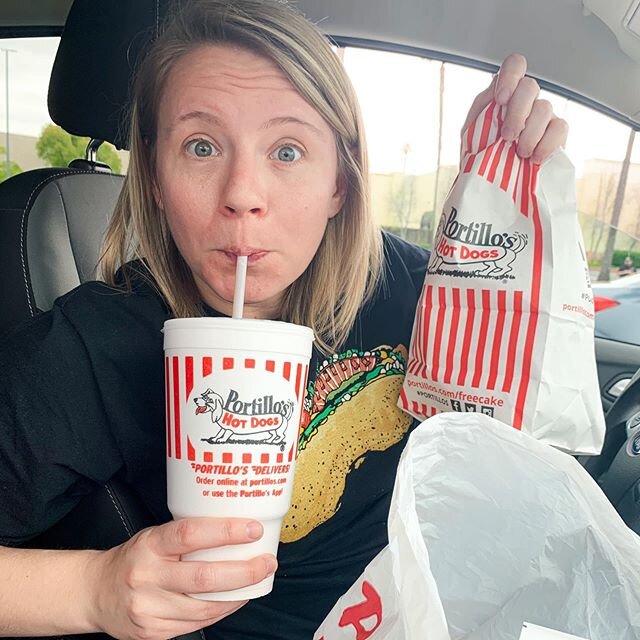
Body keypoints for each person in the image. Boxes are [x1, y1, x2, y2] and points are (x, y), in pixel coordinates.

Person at [0, 0, 568, 638]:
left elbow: (511, 409)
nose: (243, 194)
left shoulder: (408, 283)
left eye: (288, 150)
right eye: (202, 145)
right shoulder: (98, 346)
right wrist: (93, 589)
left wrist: (499, 206)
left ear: (339, 184)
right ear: (157, 177)